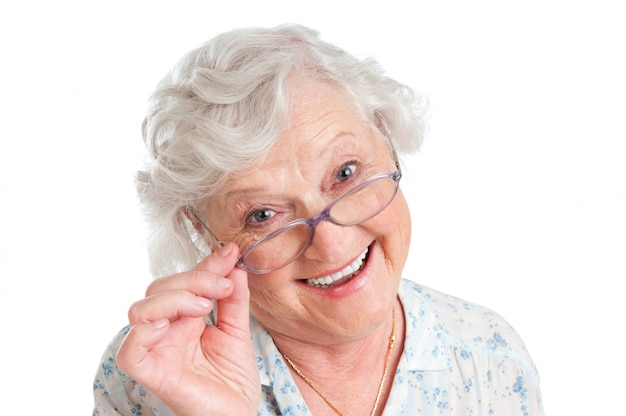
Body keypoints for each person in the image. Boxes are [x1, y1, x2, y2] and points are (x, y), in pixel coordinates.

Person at [93, 24, 544, 415]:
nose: (329, 244)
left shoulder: (490, 358)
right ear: (201, 232)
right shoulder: (151, 374)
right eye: (263, 215)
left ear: (387, 140)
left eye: (346, 173)